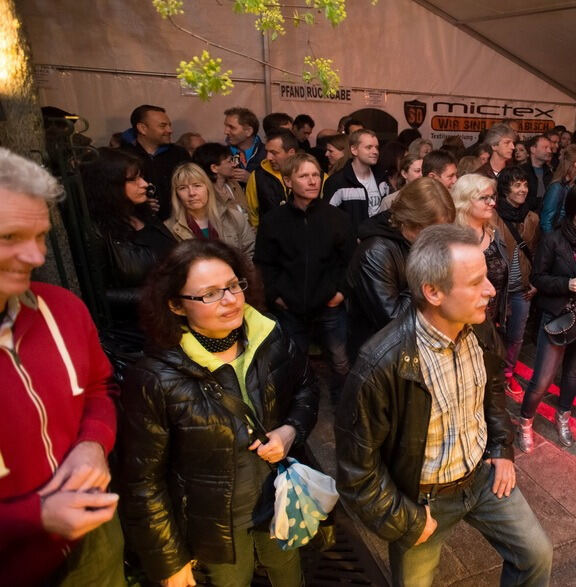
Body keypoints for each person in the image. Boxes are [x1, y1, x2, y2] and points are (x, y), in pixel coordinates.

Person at [335, 224, 552, 586]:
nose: (491, 290)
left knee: (536, 556)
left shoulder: (478, 326)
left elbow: (493, 388)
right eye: (475, 282)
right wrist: (407, 519)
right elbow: (357, 472)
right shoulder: (381, 364)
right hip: (423, 500)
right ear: (433, 292)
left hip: (482, 479)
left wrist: (500, 446)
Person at [121, 239, 319, 586]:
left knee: (289, 575)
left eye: (232, 285)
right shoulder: (154, 378)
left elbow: (306, 389)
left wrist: (290, 430)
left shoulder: (269, 335)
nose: (230, 300)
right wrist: (168, 559)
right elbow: (143, 481)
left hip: (279, 500)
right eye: (209, 294)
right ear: (176, 305)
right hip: (214, 526)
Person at [0, 148, 124, 586]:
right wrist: (33, 518)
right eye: (10, 237)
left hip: (95, 544)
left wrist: (94, 442)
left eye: (41, 236)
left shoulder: (64, 309)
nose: (35, 257)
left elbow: (100, 387)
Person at [517, 184, 576, 452]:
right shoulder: (554, 239)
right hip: (558, 316)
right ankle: (525, 423)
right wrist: (567, 284)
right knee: (543, 377)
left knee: (573, 374)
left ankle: (563, 418)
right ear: (573, 209)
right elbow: (538, 278)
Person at [254, 154, 356, 399]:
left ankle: (341, 404)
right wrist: (276, 296)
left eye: (315, 175)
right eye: (304, 176)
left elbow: (351, 262)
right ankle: (301, 405)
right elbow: (264, 263)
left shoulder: (337, 218)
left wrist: (340, 294)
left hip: (330, 306)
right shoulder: (273, 221)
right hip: (289, 308)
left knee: (341, 361)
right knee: (294, 362)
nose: (313, 181)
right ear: (288, 181)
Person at [345, 177, 456, 356]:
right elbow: (392, 321)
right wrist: (427, 270)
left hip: (418, 346)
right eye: (432, 230)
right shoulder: (376, 252)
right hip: (382, 357)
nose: (439, 238)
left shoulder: (419, 243)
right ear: (409, 221)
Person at [82, 148, 177, 330]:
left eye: (141, 177)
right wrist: (157, 295)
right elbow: (97, 294)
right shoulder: (96, 232)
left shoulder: (144, 214)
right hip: (136, 330)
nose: (144, 184)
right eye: (133, 180)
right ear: (109, 185)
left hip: (169, 320)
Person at [451, 174, 518, 334]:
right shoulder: (451, 238)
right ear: (465, 201)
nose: (493, 203)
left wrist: (502, 313)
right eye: (484, 198)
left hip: (492, 322)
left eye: (492, 197)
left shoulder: (494, 233)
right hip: (461, 324)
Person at [494, 167, 540, 397]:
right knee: (493, 334)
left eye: (525, 185)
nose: (522, 189)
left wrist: (534, 281)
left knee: (516, 336)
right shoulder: (492, 217)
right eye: (516, 185)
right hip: (496, 289)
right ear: (504, 189)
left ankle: (508, 374)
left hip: (521, 288)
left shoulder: (532, 218)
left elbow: (535, 252)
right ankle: (491, 376)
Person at [166, 162, 255, 257]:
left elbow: (250, 254)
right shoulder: (169, 228)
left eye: (197, 185)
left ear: (208, 188)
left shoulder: (235, 218)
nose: (191, 193)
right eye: (183, 188)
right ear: (176, 194)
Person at [119, 104, 191, 220]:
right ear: (142, 128)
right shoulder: (123, 157)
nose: (170, 130)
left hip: (179, 221)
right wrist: (137, 204)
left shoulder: (179, 154)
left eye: (169, 125)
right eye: (163, 126)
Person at [324, 129, 391, 226]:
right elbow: (329, 219)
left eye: (376, 147)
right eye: (369, 147)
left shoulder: (382, 178)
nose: (375, 151)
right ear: (354, 150)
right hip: (352, 240)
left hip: (378, 239)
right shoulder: (337, 182)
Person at [245, 129, 299, 228]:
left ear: (291, 153)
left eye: (274, 153)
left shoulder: (313, 175)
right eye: (267, 152)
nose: (268, 157)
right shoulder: (257, 176)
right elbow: (252, 214)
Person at [193, 142, 251, 224]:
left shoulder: (234, 184)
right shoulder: (207, 196)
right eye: (229, 161)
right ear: (214, 168)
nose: (234, 164)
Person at [539, 144, 576, 232]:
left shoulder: (575, 185)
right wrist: (553, 243)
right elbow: (546, 222)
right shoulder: (557, 187)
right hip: (556, 240)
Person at [224, 107, 265, 183]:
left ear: (248, 131)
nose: (225, 131)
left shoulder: (267, 154)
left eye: (231, 127)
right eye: (226, 126)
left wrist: (252, 180)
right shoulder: (222, 155)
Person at [520, 134, 553, 211]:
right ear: (533, 149)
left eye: (550, 148)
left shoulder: (549, 172)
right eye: (545, 147)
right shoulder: (521, 171)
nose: (549, 151)